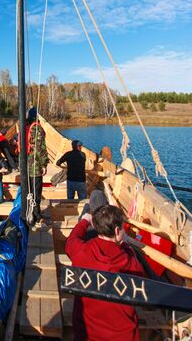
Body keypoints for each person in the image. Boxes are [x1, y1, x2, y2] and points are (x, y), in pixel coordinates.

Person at [65, 204, 145, 341]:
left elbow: (71, 241)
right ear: (117, 230)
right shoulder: (129, 262)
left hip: (85, 333)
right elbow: (140, 277)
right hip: (121, 335)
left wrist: (84, 221)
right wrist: (125, 245)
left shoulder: (80, 251)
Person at [18, 107, 49, 223]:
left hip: (24, 166)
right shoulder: (36, 128)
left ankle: (27, 212)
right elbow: (40, 148)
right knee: (36, 192)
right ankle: (36, 215)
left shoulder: (24, 127)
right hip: (34, 166)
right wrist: (44, 164)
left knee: (27, 191)